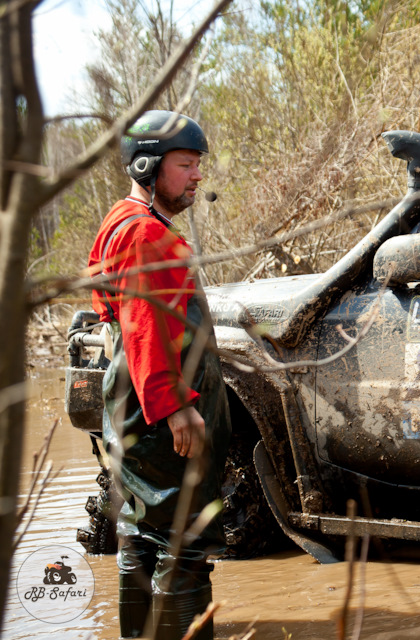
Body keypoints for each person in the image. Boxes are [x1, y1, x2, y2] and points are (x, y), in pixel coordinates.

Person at [88, 110, 230, 640]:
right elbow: (146, 326)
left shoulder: (120, 222)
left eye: (198, 165)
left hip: (129, 402)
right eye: (186, 164)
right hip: (156, 409)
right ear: (147, 166)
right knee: (184, 540)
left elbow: (113, 308)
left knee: (143, 534)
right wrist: (175, 407)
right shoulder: (147, 235)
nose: (197, 176)